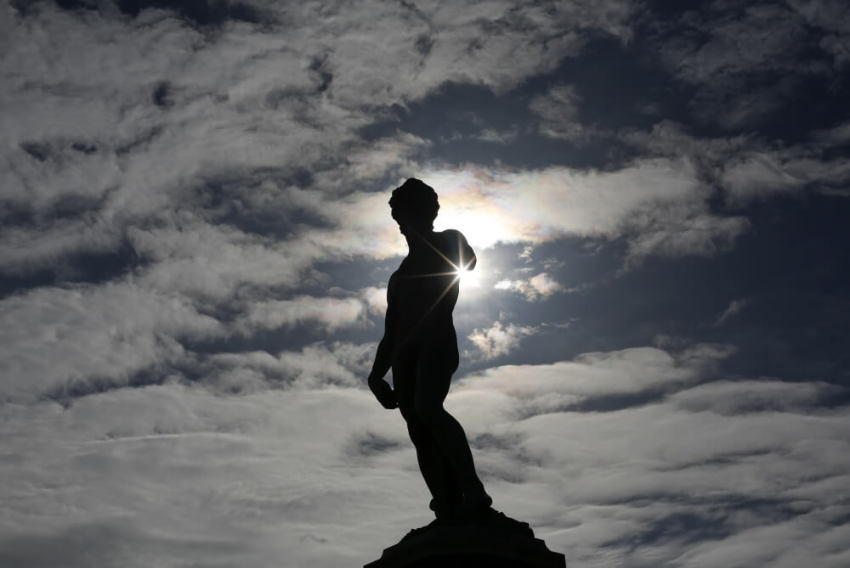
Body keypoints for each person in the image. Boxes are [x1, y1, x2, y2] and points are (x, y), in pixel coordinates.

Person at [367, 178, 492, 522]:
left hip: (436, 340)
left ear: (429, 212)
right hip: (405, 355)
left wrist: (429, 243)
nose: (403, 221)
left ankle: (473, 489)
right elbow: (390, 332)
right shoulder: (399, 276)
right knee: (418, 428)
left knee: (428, 408)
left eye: (411, 211)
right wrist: (375, 375)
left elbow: (467, 262)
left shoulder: (449, 240)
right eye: (400, 215)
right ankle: (446, 503)